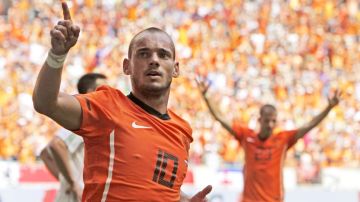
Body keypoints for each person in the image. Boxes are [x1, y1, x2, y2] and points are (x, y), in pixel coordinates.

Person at [32, 2, 211, 201]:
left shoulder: (182, 130)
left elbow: (159, 189)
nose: (154, 60)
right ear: (127, 66)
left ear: (175, 69)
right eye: (143, 54)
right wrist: (57, 55)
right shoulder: (108, 105)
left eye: (163, 54)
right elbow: (46, 102)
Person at [197, 77, 341, 202]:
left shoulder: (284, 139)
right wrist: (206, 97)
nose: (270, 125)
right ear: (260, 119)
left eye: (273, 121)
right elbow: (221, 119)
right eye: (267, 121)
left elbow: (309, 125)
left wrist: (328, 107)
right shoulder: (247, 137)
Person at [40, 73, 107, 202]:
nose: (108, 92)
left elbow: (45, 154)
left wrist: (65, 179)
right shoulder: (86, 119)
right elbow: (56, 144)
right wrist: (73, 183)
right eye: (103, 88)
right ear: (90, 92)